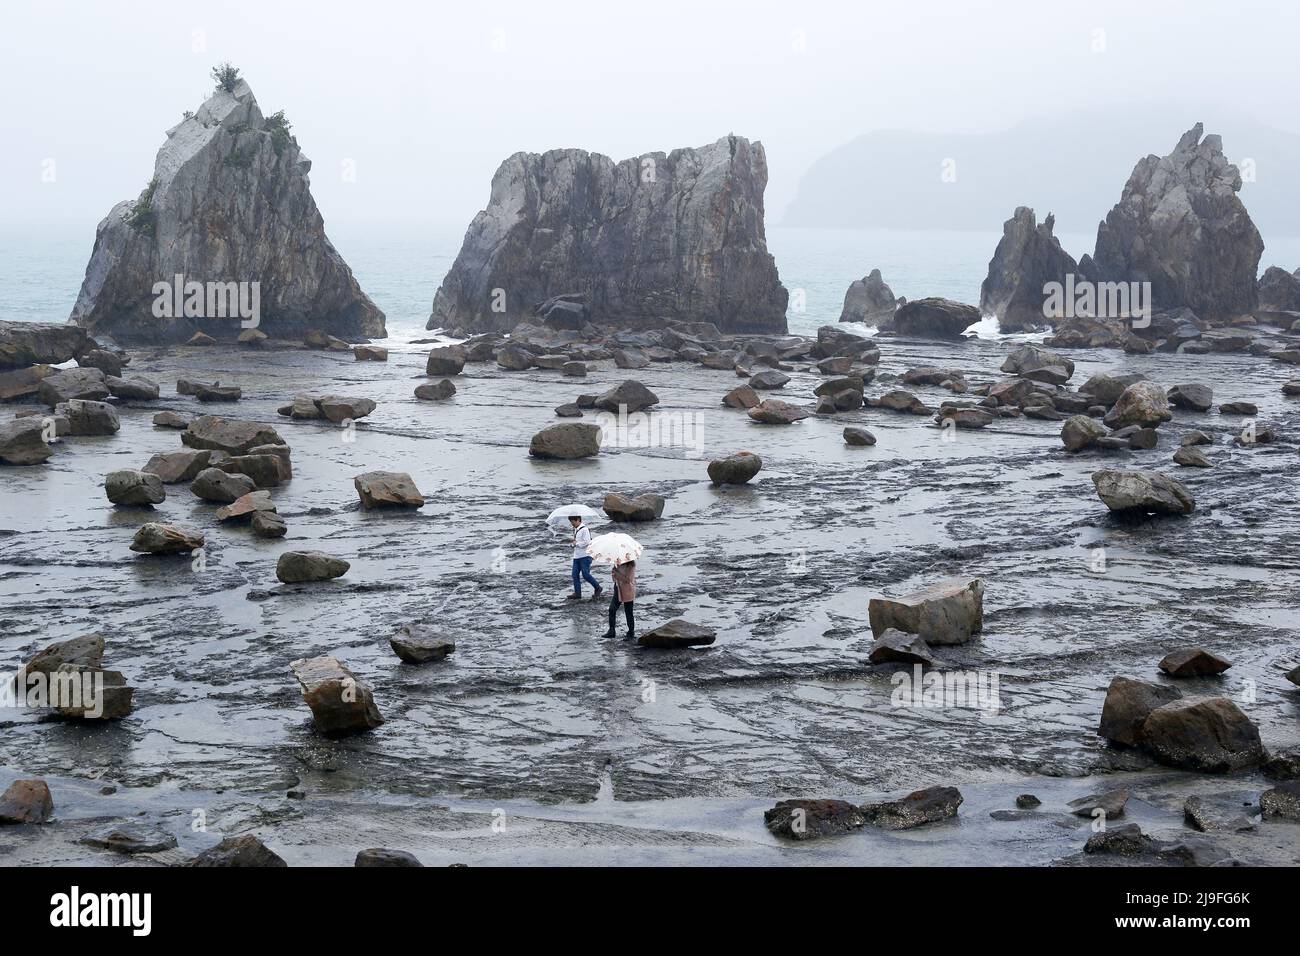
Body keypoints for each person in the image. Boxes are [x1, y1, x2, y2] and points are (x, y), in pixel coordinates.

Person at [567, 515, 602, 600]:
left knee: (585, 574)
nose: (572, 523)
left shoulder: (585, 529)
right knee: (574, 575)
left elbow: (587, 542)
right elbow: (577, 542)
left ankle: (598, 588)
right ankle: (577, 593)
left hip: (585, 556)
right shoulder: (576, 529)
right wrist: (573, 544)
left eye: (572, 521)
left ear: (578, 520)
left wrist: (576, 544)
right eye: (571, 522)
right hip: (577, 556)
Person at [602, 559, 635, 640]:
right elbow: (614, 579)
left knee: (628, 611)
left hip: (628, 590)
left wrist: (616, 574)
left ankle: (631, 632)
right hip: (618, 589)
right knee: (612, 609)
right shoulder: (617, 563)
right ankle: (611, 631)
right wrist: (613, 573)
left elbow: (628, 580)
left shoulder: (631, 565)